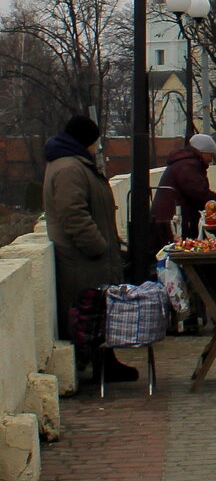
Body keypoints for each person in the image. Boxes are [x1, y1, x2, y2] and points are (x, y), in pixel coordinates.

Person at [43, 115, 137, 382]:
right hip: (82, 258)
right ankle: (100, 364)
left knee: (98, 311)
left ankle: (106, 361)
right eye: (95, 142)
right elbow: (73, 213)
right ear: (87, 141)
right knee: (90, 312)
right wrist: (97, 246)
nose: (97, 147)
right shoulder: (70, 169)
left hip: (87, 257)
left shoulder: (72, 164)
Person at [151, 134, 216, 243]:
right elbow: (199, 193)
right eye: (210, 155)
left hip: (165, 217)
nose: (210, 160)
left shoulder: (183, 163)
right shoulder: (188, 165)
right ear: (203, 152)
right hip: (174, 220)